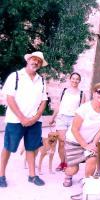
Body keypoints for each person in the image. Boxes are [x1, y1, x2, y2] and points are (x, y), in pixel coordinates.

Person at [0, 51, 48, 187]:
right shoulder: (15, 76)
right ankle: (1, 175)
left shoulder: (42, 80)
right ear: (28, 60)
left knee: (32, 148)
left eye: (39, 61)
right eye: (34, 59)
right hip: (16, 120)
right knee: (8, 147)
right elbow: (9, 98)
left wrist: (37, 117)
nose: (36, 62)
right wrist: (22, 118)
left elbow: (44, 100)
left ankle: (32, 176)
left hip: (35, 121)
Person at [62, 83, 100, 193]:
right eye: (99, 92)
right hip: (73, 141)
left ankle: (87, 182)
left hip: (90, 142)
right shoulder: (84, 108)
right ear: (94, 93)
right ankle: (68, 175)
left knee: (92, 159)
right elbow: (74, 129)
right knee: (73, 169)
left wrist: (94, 143)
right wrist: (85, 145)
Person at [49, 72, 86, 172]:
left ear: (79, 81)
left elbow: (82, 110)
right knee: (61, 142)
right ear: (70, 79)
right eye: (73, 78)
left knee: (69, 143)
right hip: (61, 118)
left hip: (73, 119)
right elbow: (59, 105)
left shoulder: (82, 94)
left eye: (77, 79)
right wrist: (53, 118)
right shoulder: (64, 91)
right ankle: (62, 162)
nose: (75, 80)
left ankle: (69, 163)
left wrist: (81, 123)